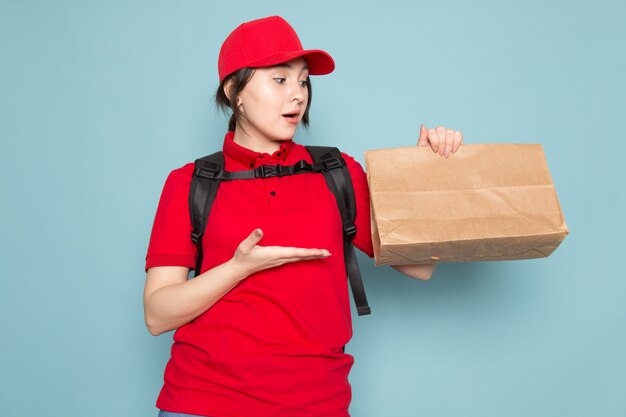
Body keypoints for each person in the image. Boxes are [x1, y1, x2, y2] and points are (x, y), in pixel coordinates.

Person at [144, 15, 463, 417]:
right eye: (280, 80)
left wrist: (425, 176)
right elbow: (157, 315)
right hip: (203, 403)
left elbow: (420, 267)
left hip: (317, 404)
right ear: (234, 91)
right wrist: (237, 268)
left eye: (303, 80)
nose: (297, 95)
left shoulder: (337, 172)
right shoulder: (191, 182)